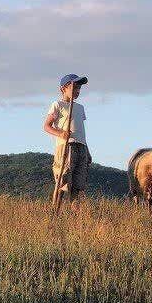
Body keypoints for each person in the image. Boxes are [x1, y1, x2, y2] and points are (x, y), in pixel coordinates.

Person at [44, 74, 91, 206]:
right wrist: (61, 133)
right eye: (74, 87)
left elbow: (81, 132)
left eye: (79, 88)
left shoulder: (80, 108)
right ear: (63, 89)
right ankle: (56, 212)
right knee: (63, 180)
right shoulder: (57, 104)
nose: (77, 91)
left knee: (78, 184)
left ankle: (74, 216)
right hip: (66, 146)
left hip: (81, 147)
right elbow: (46, 126)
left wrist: (87, 151)